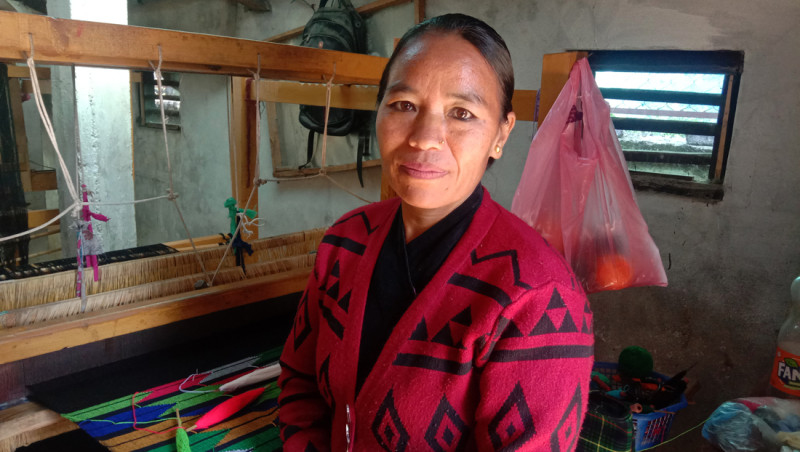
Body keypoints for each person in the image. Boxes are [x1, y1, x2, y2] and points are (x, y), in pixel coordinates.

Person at [278, 13, 594, 451]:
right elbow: (300, 382)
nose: (424, 138)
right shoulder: (344, 243)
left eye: (461, 113)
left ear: (501, 134)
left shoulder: (538, 296)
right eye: (404, 105)